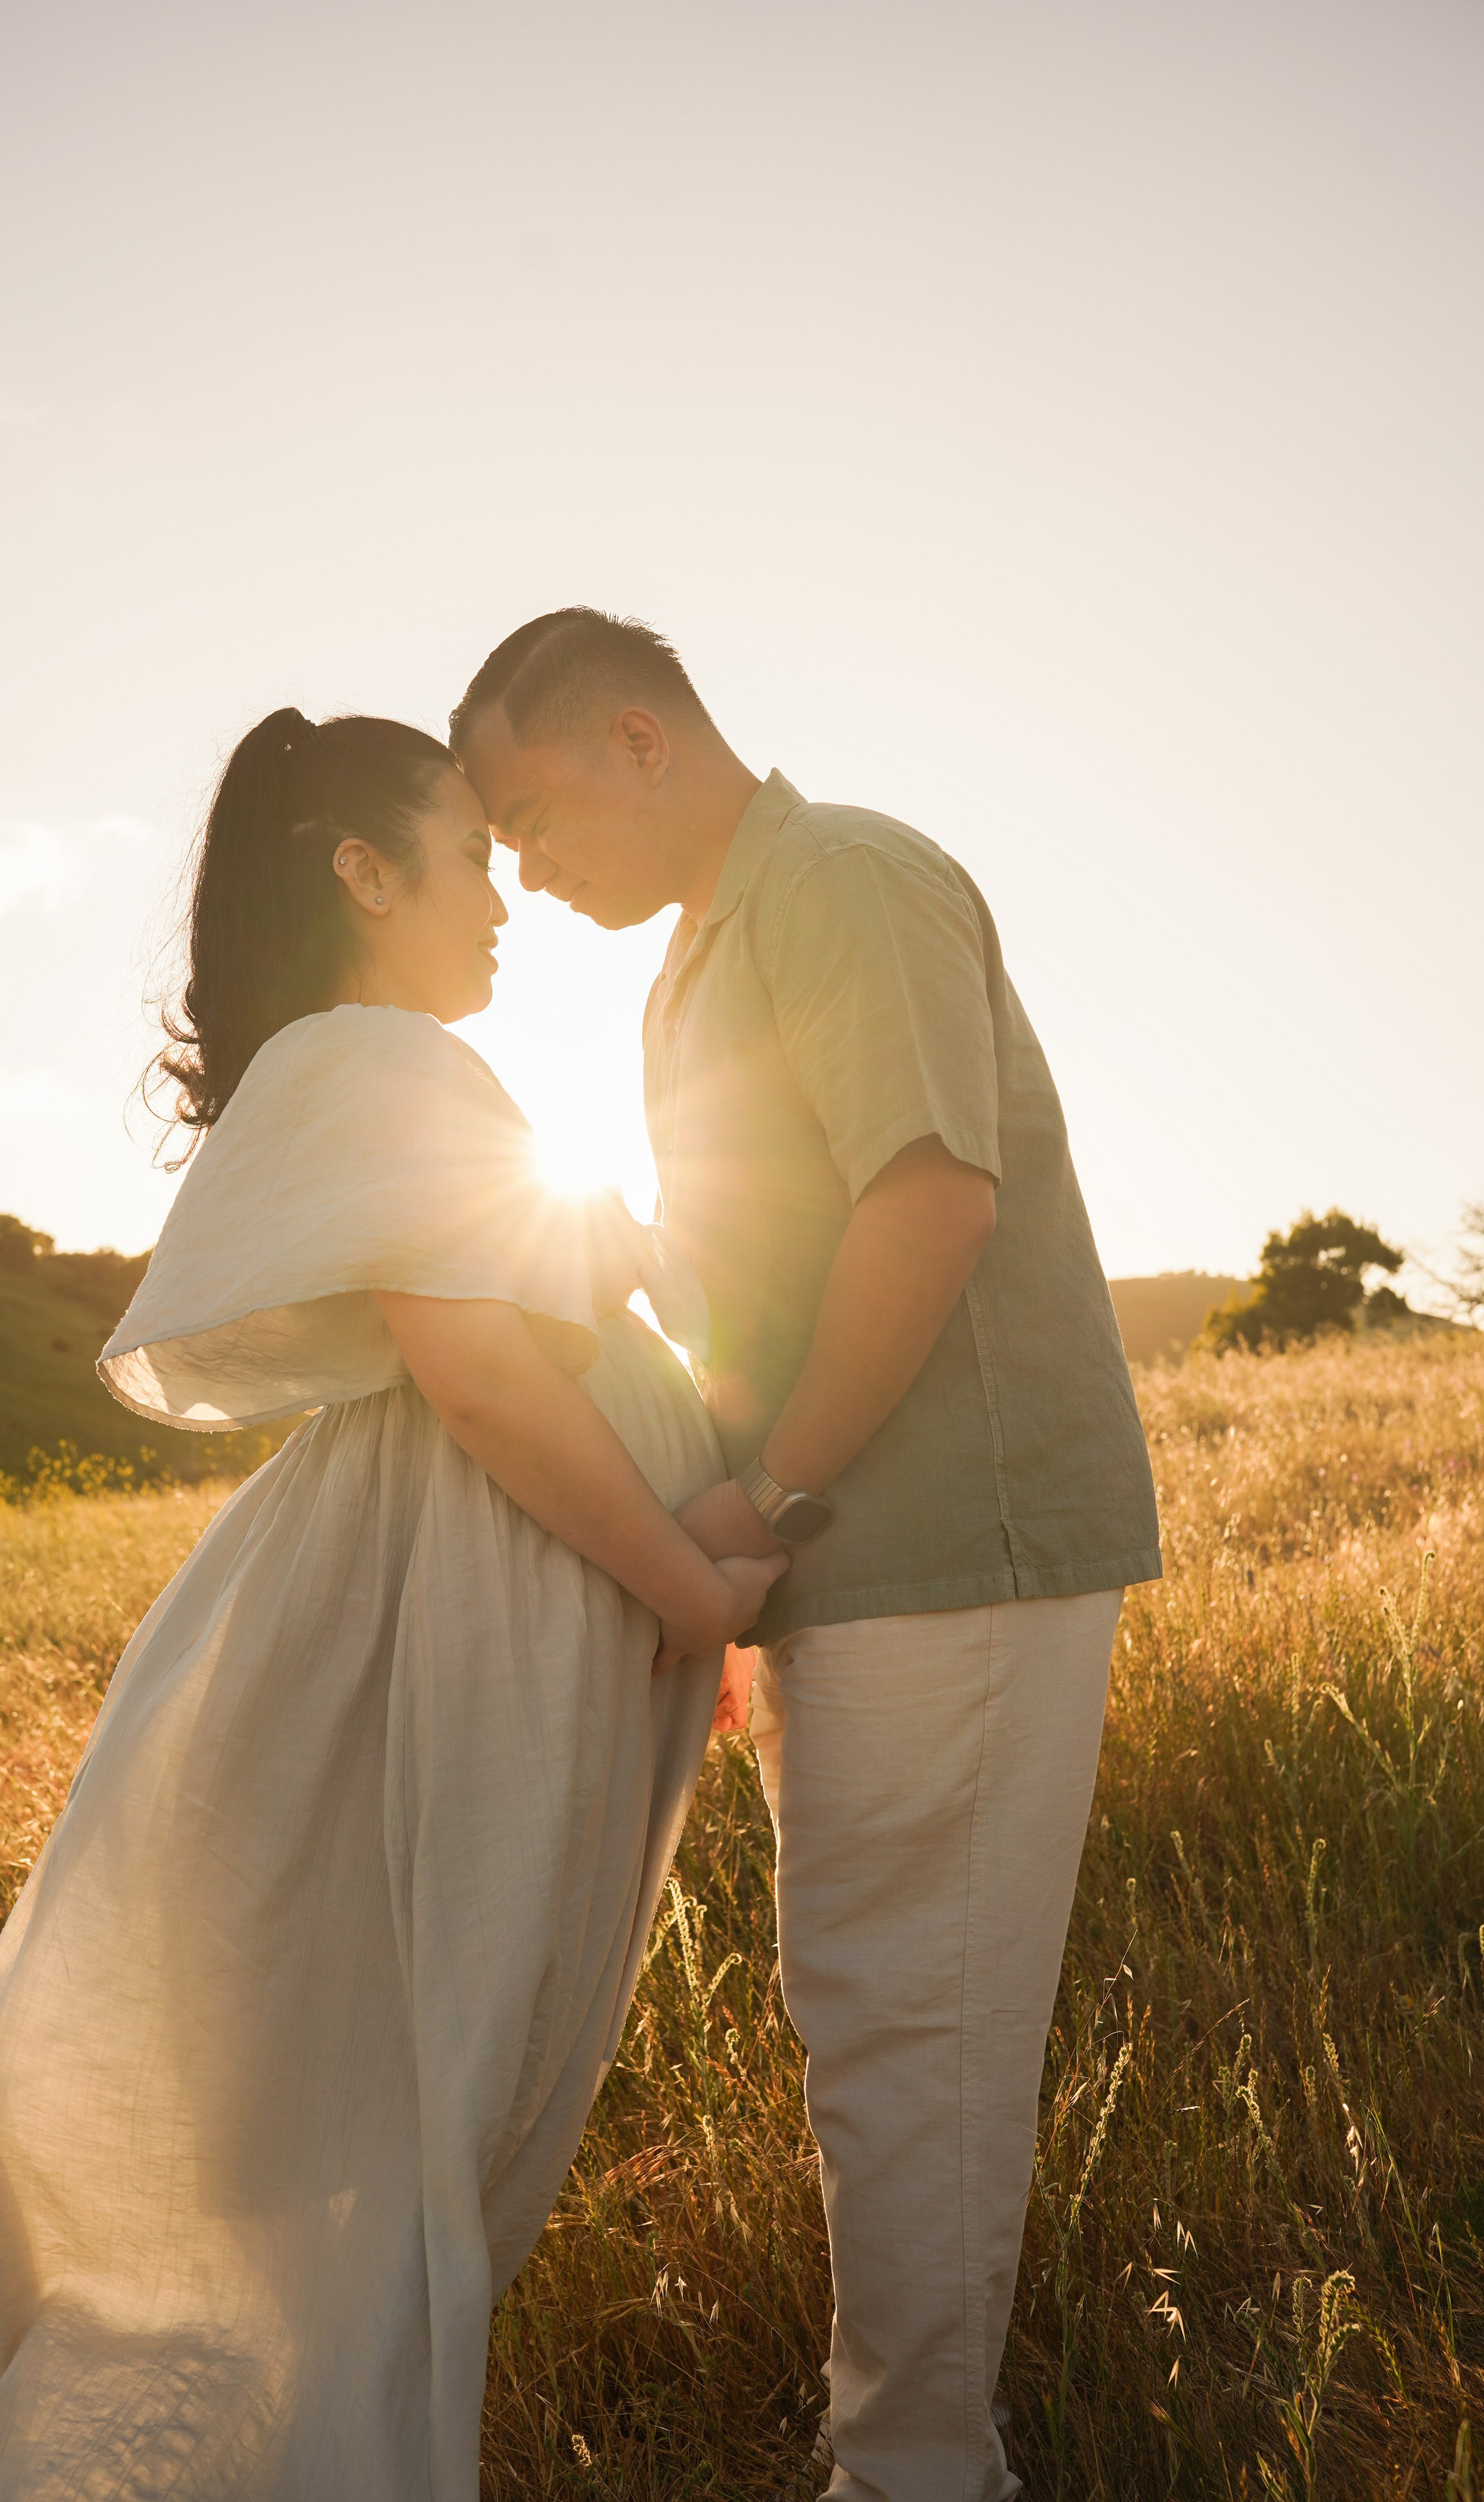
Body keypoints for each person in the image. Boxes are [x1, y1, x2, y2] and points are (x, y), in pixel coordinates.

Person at [0, 708, 784, 2501]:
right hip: (455, 1611)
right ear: (364, 873)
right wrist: (689, 1583)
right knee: (385, 2141)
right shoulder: (387, 1063)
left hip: (466, 1601)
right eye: (471, 854)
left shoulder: (380, 1071)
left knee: (381, 2146)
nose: (502, 902)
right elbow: (475, 1375)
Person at [452, 612, 1162, 2502]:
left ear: (640, 737)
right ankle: (906, 2450)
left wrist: (764, 1509)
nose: (524, 870)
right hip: (863, 1559)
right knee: (866, 2005)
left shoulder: (842, 877)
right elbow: (761, 1278)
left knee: (912, 2019)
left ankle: (919, 2470)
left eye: (532, 813)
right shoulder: (693, 966)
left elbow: (930, 1200)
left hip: (962, 1550)